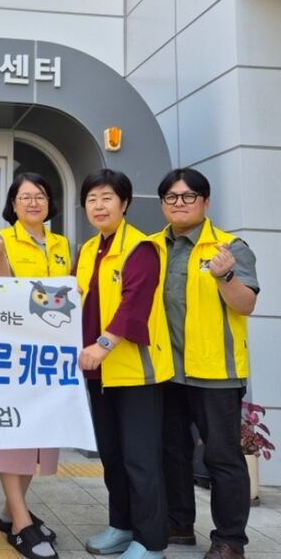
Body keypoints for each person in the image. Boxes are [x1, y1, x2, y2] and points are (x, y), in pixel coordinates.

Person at [151, 168, 259, 559]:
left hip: (216, 373)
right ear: (162, 203)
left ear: (206, 202)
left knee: (222, 458)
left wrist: (225, 276)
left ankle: (230, 540)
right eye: (171, 197)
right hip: (168, 372)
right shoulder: (151, 247)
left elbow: (246, 304)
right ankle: (179, 524)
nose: (179, 203)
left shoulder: (230, 248)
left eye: (189, 196)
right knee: (172, 452)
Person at [74, 168, 172, 559]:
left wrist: (102, 345)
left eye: (107, 198)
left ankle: (151, 542)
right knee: (113, 456)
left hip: (136, 374)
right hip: (98, 374)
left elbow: (135, 305)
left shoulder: (141, 248)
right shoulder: (87, 250)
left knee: (140, 460)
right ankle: (122, 525)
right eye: (91, 199)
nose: (99, 206)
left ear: (125, 203)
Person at [0, 173, 69, 559]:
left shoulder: (62, 244)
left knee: (38, 437)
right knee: (14, 435)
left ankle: (9, 514)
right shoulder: (1, 241)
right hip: (14, 353)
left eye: (40, 196)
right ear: (13, 205)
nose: (33, 202)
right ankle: (21, 524)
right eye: (25, 197)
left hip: (50, 355)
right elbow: (0, 294)